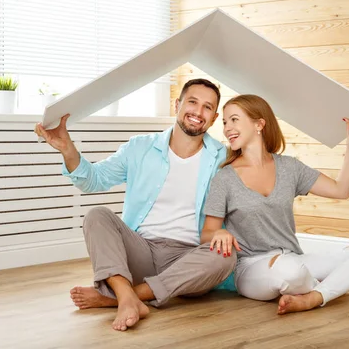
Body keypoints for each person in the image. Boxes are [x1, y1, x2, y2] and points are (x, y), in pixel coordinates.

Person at [34, 79, 236, 331]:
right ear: (177, 104)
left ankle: (120, 297)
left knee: (225, 256)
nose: (198, 112)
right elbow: (93, 181)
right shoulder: (139, 147)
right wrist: (67, 149)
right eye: (192, 102)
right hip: (140, 251)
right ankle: (124, 292)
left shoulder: (224, 158)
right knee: (97, 215)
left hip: (188, 260)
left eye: (207, 107)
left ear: (214, 117)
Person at [201, 94, 349, 315]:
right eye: (225, 122)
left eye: (234, 119)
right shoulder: (225, 178)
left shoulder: (290, 168)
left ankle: (315, 297)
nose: (228, 128)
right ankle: (327, 286)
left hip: (294, 256)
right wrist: (218, 234)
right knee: (291, 273)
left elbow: (340, 190)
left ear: (259, 124)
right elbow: (207, 232)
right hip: (251, 267)